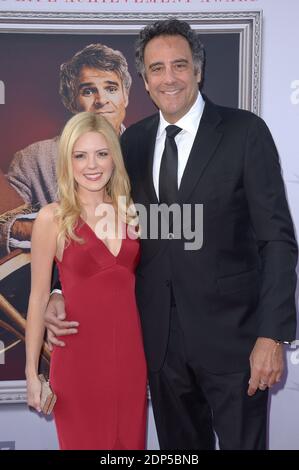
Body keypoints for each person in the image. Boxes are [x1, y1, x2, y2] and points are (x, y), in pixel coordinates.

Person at [45, 19, 297, 450]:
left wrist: (272, 335)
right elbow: (88, 219)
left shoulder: (244, 133)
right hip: (158, 349)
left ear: (198, 70)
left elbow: (276, 240)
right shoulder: (132, 144)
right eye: (156, 69)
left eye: (179, 65)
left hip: (234, 346)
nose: (169, 78)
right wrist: (56, 289)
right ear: (144, 80)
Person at [25, 112, 147, 450]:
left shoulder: (132, 212)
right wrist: (32, 374)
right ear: (68, 160)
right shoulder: (52, 218)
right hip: (77, 365)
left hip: (130, 361)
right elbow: (36, 298)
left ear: (114, 158)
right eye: (80, 155)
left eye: (101, 153)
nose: (91, 165)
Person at [0, 43, 132, 256]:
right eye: (88, 91)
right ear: (71, 101)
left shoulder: (150, 151)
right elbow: (7, 226)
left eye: (111, 88)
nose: (101, 100)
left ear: (125, 96)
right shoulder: (34, 159)